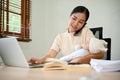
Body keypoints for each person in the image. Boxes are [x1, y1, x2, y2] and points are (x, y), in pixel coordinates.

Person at [28, 6, 104, 64]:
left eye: (81, 22)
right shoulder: (60, 37)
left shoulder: (86, 31)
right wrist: (40, 60)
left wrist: (81, 60)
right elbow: (50, 55)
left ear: (84, 24)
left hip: (83, 71)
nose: (75, 23)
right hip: (67, 70)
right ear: (70, 16)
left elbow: (100, 54)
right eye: (74, 18)